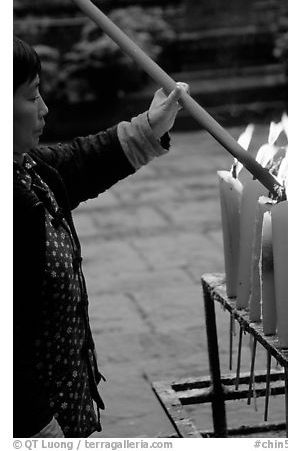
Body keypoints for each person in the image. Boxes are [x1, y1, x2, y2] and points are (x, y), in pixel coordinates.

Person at [13, 36, 189, 438]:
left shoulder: (26, 169)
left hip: (63, 406)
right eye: (31, 96)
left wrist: (150, 126)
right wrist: (37, 427)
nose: (44, 108)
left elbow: (78, 163)